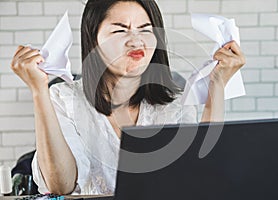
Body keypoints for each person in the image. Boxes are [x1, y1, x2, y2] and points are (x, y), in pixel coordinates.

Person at [10, 0, 245, 196]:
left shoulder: (175, 103)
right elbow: (60, 186)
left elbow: (202, 174)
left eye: (145, 29)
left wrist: (217, 85)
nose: (136, 41)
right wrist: (38, 90)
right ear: (94, 39)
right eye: (120, 30)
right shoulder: (64, 97)